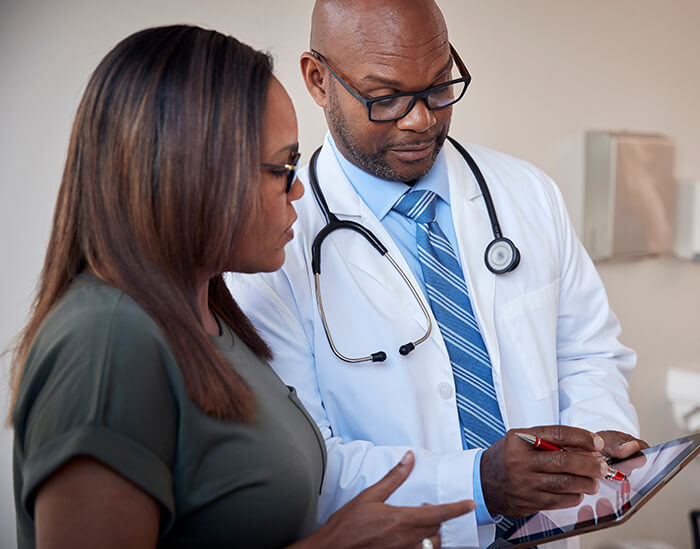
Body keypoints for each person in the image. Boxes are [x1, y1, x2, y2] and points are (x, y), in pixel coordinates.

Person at [8, 24, 476, 549]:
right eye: (283, 167)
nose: (298, 188)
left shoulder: (209, 316)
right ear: (193, 171)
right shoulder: (103, 343)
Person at [227, 1, 649, 547]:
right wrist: (478, 483)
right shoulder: (271, 242)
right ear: (318, 80)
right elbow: (305, 458)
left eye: (439, 86)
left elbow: (589, 353)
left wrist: (596, 432)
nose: (420, 119)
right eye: (386, 98)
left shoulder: (527, 194)